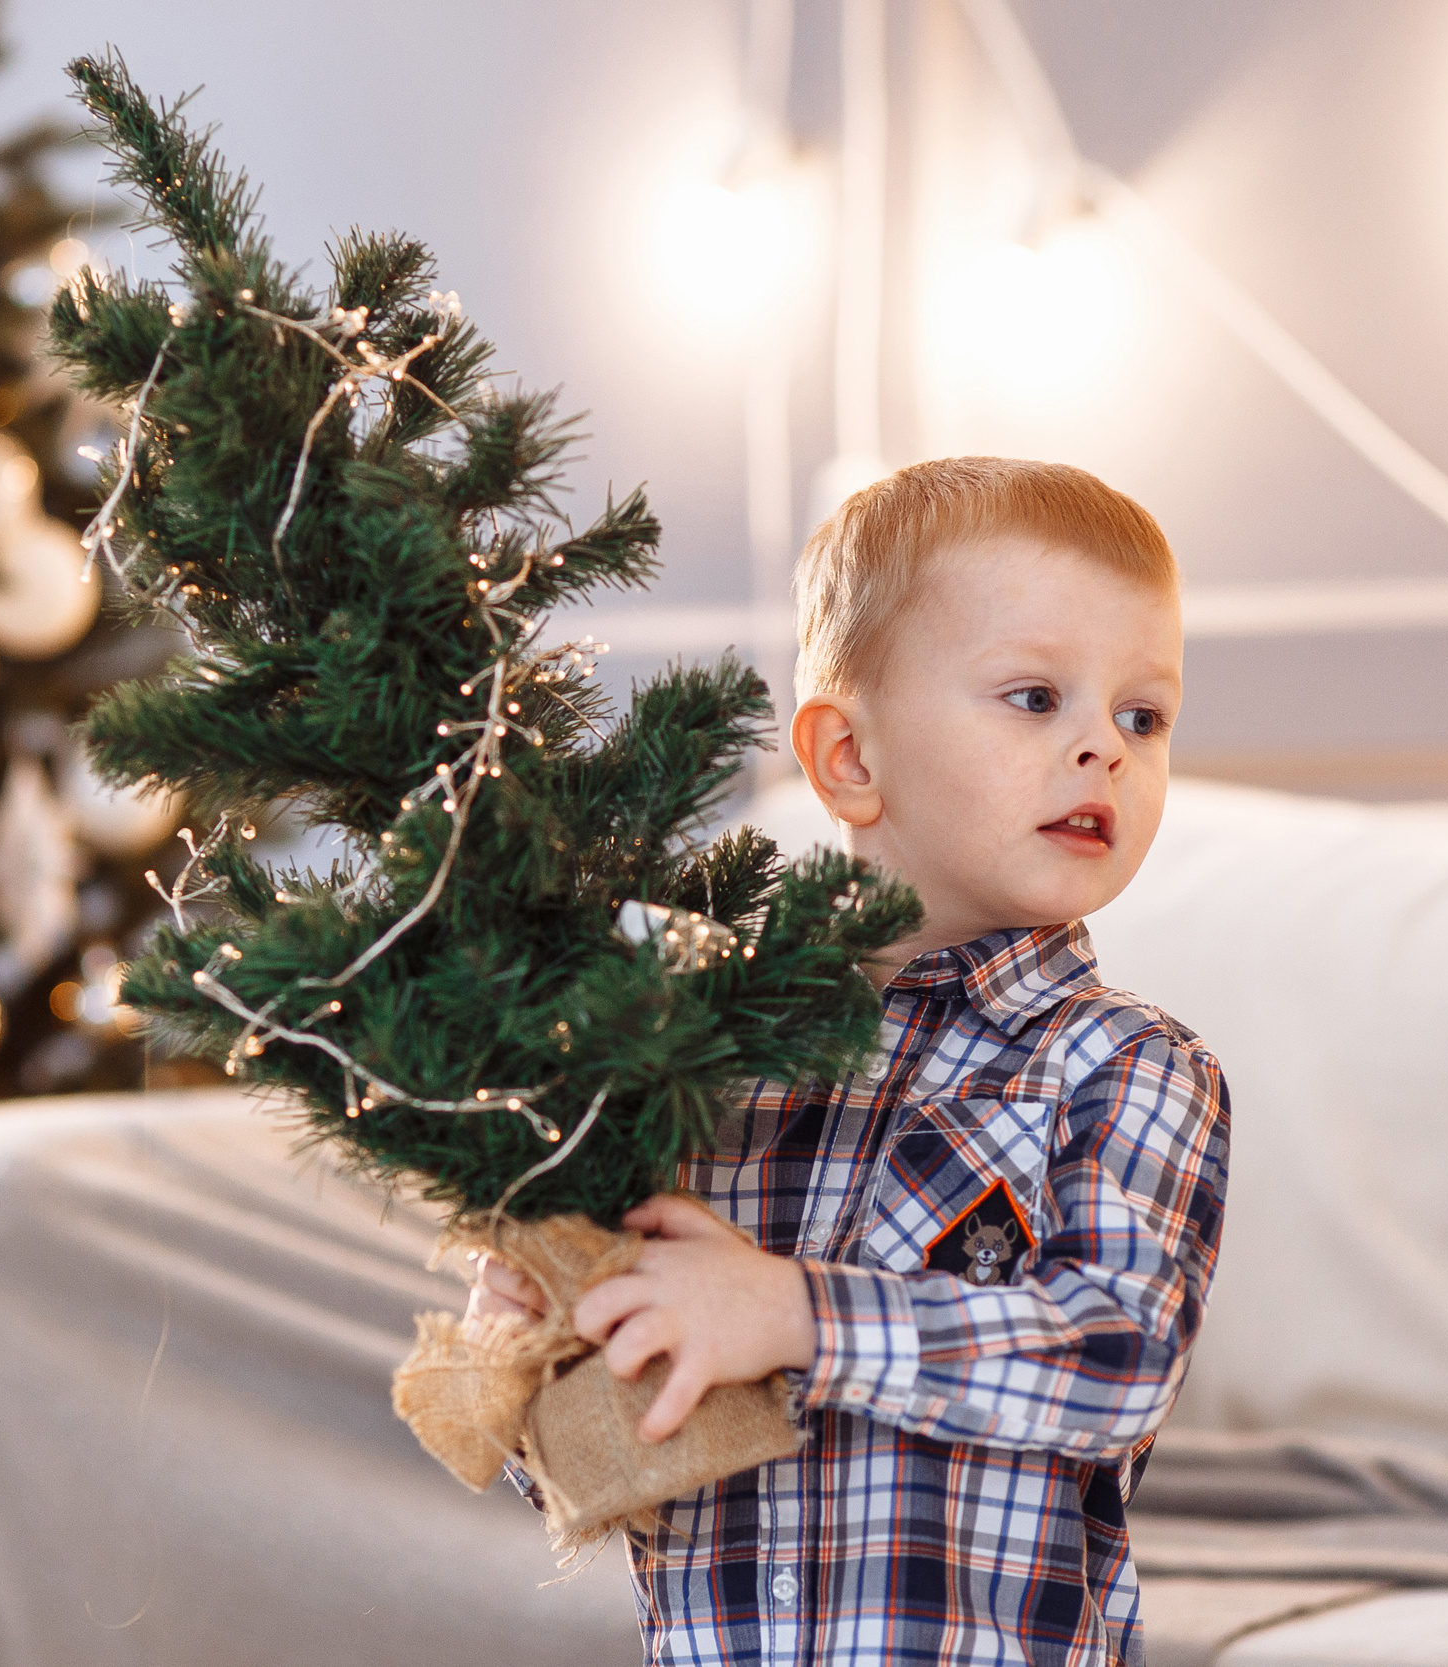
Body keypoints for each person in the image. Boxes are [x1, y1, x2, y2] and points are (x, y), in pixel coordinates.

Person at [472, 456, 1231, 1666]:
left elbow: (1116, 1359)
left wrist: (792, 1314)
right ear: (848, 760)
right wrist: (545, 1341)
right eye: (1036, 696)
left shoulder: (1123, 1064)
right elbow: (612, 1456)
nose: (1104, 747)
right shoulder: (704, 1062)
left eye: (1143, 716)